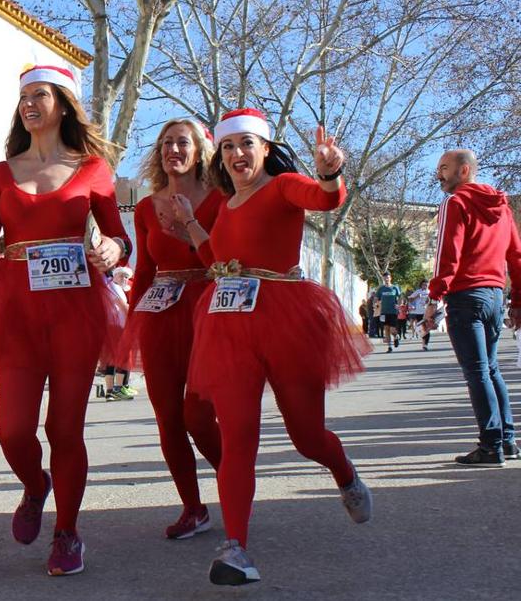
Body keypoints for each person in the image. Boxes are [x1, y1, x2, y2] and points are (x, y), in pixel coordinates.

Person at [172, 110, 372, 586]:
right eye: (227, 147)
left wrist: (329, 172)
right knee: (238, 435)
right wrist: (192, 228)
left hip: (286, 318)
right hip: (230, 323)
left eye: (246, 144)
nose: (237, 154)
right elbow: (219, 263)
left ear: (264, 149)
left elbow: (325, 199)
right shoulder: (224, 205)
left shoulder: (283, 187)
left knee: (306, 436)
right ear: (219, 156)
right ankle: (235, 548)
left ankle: (343, 472)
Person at [0, 65, 129, 577]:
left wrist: (115, 247)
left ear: (63, 104)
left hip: (76, 309)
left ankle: (67, 533)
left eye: (40, 95)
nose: (28, 104)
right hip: (17, 310)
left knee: (65, 428)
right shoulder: (3, 173)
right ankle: (34, 484)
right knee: (12, 428)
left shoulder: (92, 168)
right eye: (23, 96)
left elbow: (119, 235)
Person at [109, 116, 223, 540]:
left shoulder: (219, 200)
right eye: (166, 144)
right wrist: (129, 322)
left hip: (205, 312)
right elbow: (144, 271)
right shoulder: (145, 207)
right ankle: (193, 508)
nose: (173, 150)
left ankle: (234, 482)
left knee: (197, 415)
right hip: (158, 315)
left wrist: (190, 227)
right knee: (168, 418)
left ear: (199, 152)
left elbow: (221, 260)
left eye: (182, 143)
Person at [425, 149, 521, 466]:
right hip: (495, 295)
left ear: (464, 171)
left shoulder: (456, 202)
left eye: (444, 168)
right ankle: (507, 441)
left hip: (466, 296)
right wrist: (516, 300)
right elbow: (516, 256)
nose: (439, 174)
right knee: (490, 369)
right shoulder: (502, 208)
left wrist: (434, 298)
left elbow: (447, 256)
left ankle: (491, 445)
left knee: (478, 372)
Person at [100, 266, 136, 401]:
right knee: (122, 357)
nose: (124, 279)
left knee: (112, 358)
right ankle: (118, 388)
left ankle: (111, 391)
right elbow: (123, 306)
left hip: (115, 325)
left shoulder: (111, 286)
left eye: (126, 277)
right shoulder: (113, 287)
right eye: (121, 276)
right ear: (114, 275)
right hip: (117, 326)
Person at [374, 272, 402, 351]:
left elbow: (400, 297)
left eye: (388, 277)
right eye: (385, 278)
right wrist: (375, 304)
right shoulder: (381, 289)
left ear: (390, 278)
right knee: (386, 329)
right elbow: (376, 298)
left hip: (393, 311)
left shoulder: (394, 288)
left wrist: (399, 305)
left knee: (392, 330)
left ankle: (396, 336)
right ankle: (390, 347)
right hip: (383, 312)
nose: (386, 279)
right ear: (383, 279)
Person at [408, 280, 431, 349]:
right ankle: (423, 343)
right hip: (419, 312)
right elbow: (410, 300)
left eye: (426, 285)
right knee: (422, 328)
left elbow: (432, 301)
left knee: (427, 328)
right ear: (421, 285)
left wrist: (428, 299)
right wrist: (416, 297)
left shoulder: (430, 292)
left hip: (427, 312)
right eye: (424, 284)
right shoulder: (418, 291)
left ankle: (425, 344)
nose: (425, 286)